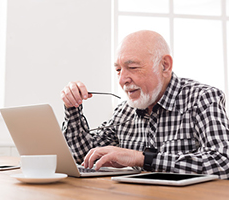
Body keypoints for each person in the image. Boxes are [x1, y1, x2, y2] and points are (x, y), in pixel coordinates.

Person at [60, 30, 229, 179]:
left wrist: (141, 158)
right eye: (118, 70)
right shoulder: (124, 111)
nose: (121, 80)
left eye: (132, 67)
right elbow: (85, 156)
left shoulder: (203, 98)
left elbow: (223, 163)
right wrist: (73, 108)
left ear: (165, 66)